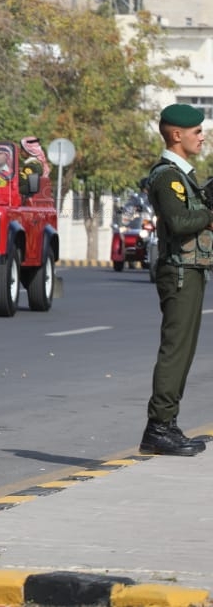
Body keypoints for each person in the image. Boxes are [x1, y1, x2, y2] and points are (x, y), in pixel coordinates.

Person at [140, 103, 213, 456]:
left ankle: (167, 424)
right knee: (175, 351)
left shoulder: (184, 175)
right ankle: (159, 427)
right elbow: (180, 222)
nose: (202, 136)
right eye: (197, 132)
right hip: (179, 271)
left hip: (191, 269)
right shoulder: (167, 176)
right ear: (176, 135)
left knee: (183, 351)